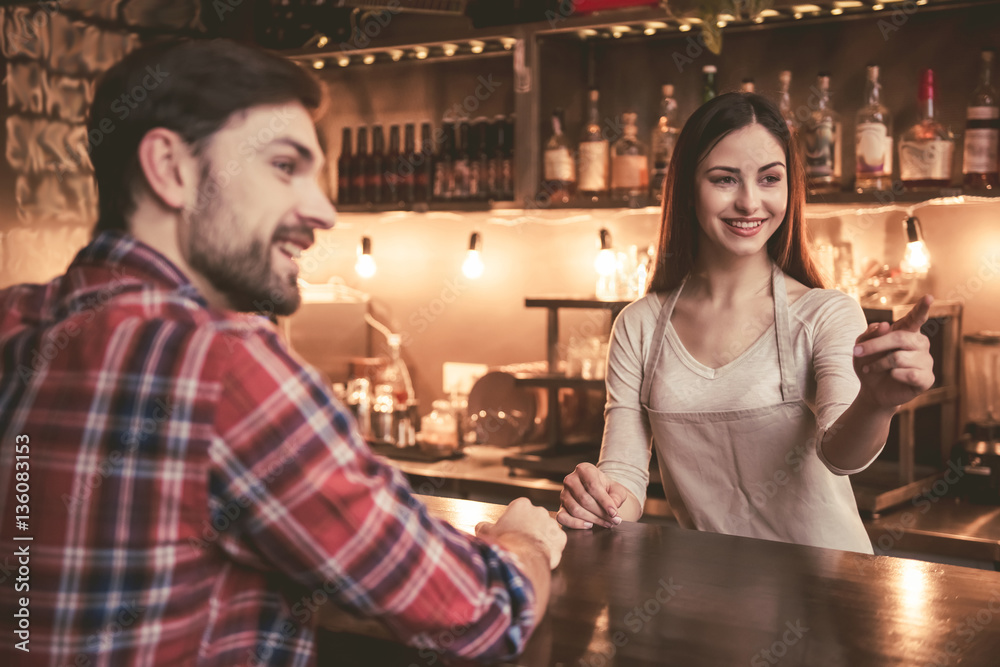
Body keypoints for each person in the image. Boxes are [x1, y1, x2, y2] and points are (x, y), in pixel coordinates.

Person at [0, 38, 564, 666]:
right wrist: (525, 542)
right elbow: (480, 615)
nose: (322, 211)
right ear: (170, 168)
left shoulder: (14, 318)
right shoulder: (224, 365)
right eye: (284, 166)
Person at [558, 92, 934, 554]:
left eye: (770, 179)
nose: (750, 202)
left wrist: (878, 403)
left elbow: (841, 456)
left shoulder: (825, 313)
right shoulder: (638, 326)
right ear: (687, 189)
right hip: (709, 594)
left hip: (831, 595)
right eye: (724, 179)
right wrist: (596, 499)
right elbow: (626, 474)